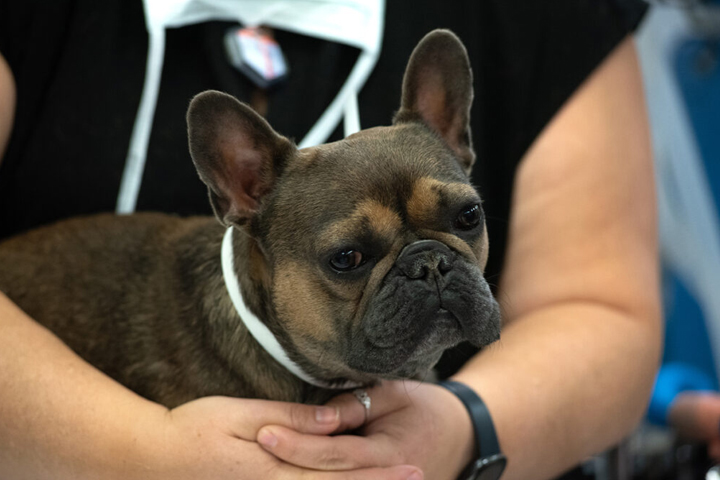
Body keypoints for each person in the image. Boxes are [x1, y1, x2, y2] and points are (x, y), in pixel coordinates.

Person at [0, 1, 661, 479]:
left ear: (457, 141)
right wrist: (144, 454)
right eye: (350, 258)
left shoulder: (539, 20)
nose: (430, 272)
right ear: (243, 194)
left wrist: (466, 428)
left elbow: (600, 310)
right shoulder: (183, 363)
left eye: (462, 221)